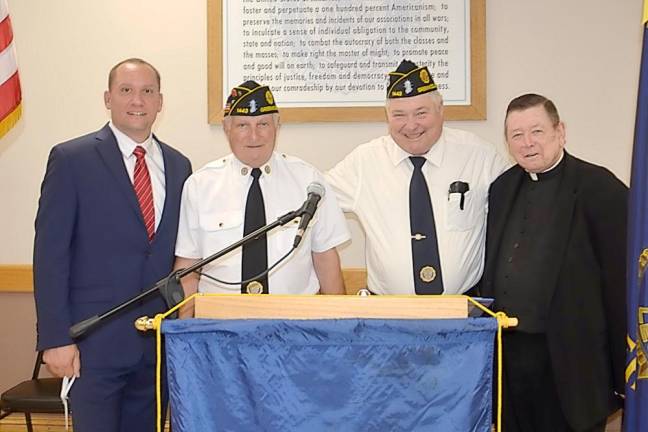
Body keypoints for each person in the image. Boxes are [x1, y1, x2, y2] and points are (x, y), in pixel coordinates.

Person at [33, 58, 192, 432]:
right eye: (126, 90)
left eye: (147, 91)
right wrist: (55, 339)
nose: (137, 100)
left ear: (160, 102)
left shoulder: (180, 166)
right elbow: (50, 257)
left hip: (155, 346)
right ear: (108, 98)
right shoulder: (72, 159)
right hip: (91, 347)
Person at [479, 93, 626, 432]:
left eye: (537, 131)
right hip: (511, 356)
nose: (527, 143)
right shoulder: (501, 188)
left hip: (572, 358)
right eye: (516, 135)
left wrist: (620, 367)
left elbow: (621, 281)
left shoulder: (599, 187)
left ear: (560, 132)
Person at [326, 59, 508, 295]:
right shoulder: (364, 162)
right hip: (388, 316)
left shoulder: (480, 156)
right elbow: (313, 198)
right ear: (387, 116)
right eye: (399, 115)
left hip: (462, 313)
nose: (411, 126)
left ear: (441, 109)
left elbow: (520, 208)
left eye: (421, 113)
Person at [174, 80, 349, 312]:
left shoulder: (309, 181)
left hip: (294, 325)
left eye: (263, 124)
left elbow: (326, 259)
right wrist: (183, 339)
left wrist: (343, 328)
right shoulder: (199, 185)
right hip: (220, 326)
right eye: (243, 125)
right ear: (227, 128)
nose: (254, 136)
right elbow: (188, 266)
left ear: (277, 125)